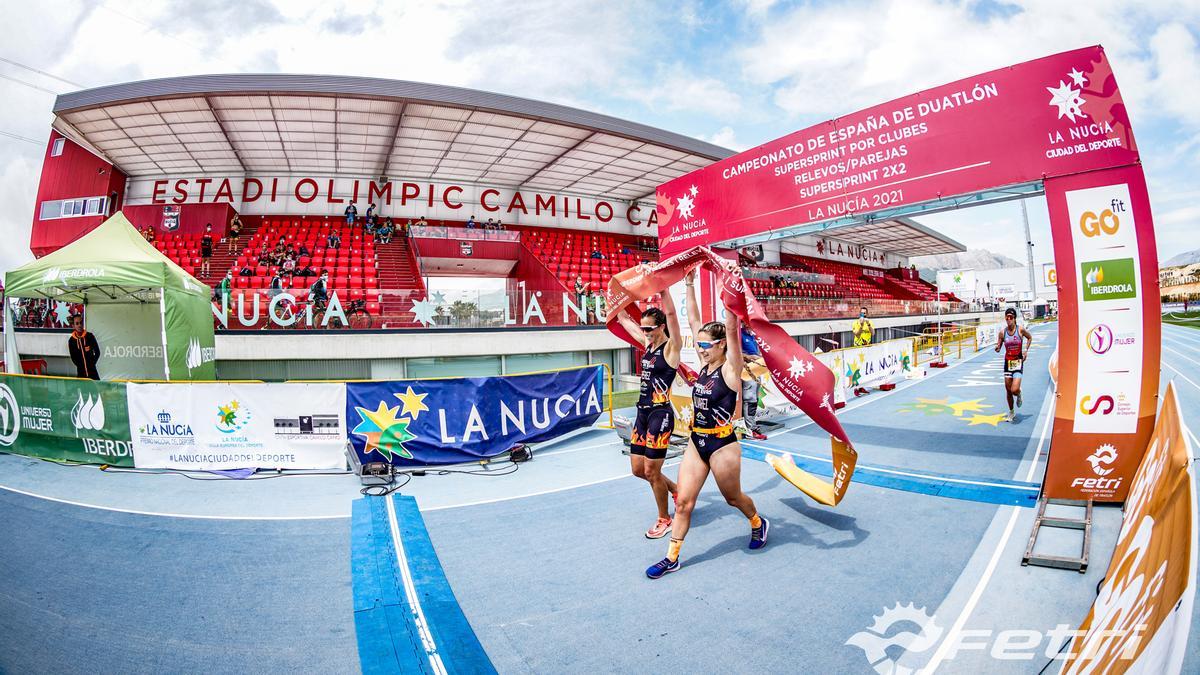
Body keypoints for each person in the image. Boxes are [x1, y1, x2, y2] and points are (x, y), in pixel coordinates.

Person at [647, 268, 768, 579]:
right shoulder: (704, 364)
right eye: (698, 345)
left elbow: (730, 327)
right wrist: (687, 283)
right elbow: (692, 320)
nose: (699, 350)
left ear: (721, 346)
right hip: (696, 442)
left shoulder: (730, 369)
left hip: (723, 444)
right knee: (684, 503)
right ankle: (672, 556)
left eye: (705, 346)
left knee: (732, 498)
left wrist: (728, 285)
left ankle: (756, 521)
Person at [615, 288, 683, 539]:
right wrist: (614, 296)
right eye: (643, 329)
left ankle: (664, 519)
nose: (644, 333)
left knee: (652, 471)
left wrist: (664, 290)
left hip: (660, 415)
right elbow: (624, 321)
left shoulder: (670, 348)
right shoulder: (648, 344)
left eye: (649, 329)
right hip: (641, 414)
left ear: (661, 326)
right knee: (637, 470)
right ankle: (676, 489)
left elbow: (673, 315)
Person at [995, 307, 1033, 422]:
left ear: (1015, 319)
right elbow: (999, 346)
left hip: (1018, 362)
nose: (1008, 319)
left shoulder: (1020, 330)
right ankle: (1011, 412)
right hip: (1008, 363)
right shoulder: (1002, 333)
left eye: (1011, 317)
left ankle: (1019, 393)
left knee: (1014, 389)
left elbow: (1030, 337)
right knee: (1008, 390)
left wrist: (1025, 350)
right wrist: (997, 348)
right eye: (1007, 317)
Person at [740, 326, 768, 440]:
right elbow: (735, 353)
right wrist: (748, 357)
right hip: (747, 371)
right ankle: (749, 430)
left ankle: (751, 426)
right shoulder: (739, 333)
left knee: (754, 399)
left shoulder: (751, 334)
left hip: (756, 370)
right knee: (750, 399)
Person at [67, 314, 100, 380]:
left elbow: (97, 352)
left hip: (93, 373)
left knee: (96, 390)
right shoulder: (71, 341)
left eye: (81, 323)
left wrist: (91, 364)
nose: (79, 325)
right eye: (77, 323)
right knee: (83, 390)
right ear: (73, 326)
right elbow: (73, 357)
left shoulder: (90, 336)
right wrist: (80, 365)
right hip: (81, 374)